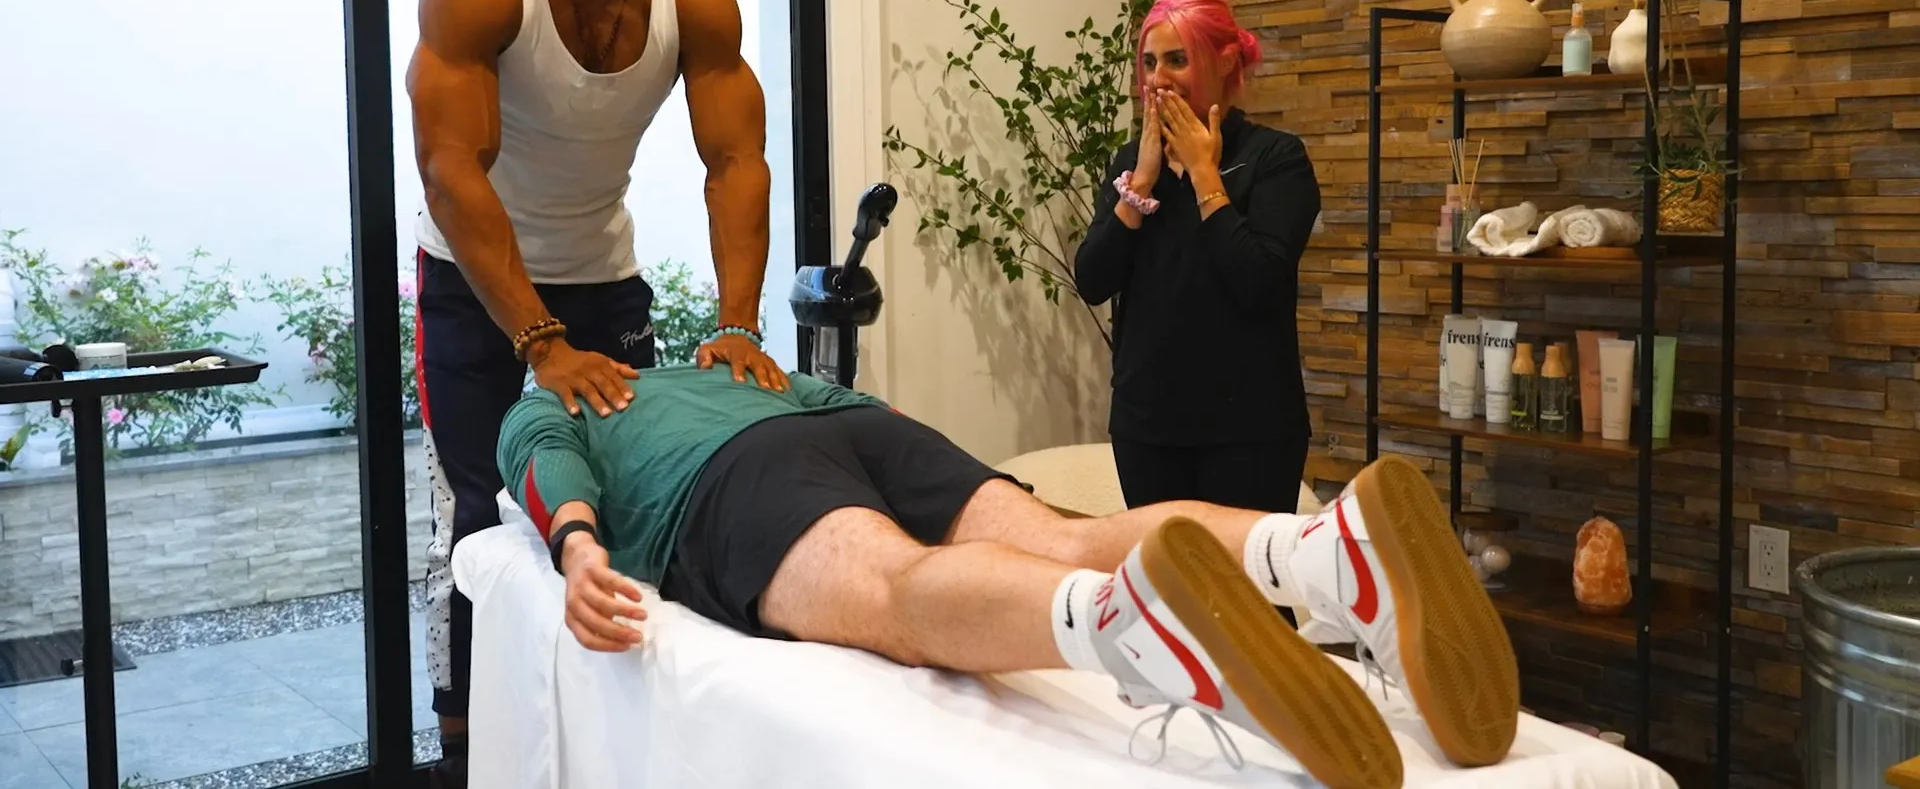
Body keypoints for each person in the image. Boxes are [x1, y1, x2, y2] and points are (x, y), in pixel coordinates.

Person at [498, 363, 1521, 789]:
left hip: (728, 479)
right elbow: (860, 406)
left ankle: (1122, 623)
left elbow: (545, 470)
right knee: (1071, 536)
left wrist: (578, 548)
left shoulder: (553, 399)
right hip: (850, 427)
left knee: (897, 590)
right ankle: (1317, 552)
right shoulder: (729, 366)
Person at [403, 0, 785, 785]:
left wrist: (739, 323)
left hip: (605, 279)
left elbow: (736, 161)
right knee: (484, 513)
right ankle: (470, 749)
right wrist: (539, 340)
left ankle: (606, 738)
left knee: (619, 495)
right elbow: (450, 171)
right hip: (473, 285)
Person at [1073, 0, 1323, 514]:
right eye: (1149, 63)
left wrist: (1204, 173)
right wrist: (1141, 184)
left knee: (1241, 572)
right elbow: (1093, 280)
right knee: (1160, 569)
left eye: (1177, 60)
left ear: (1225, 62)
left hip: (1250, 431)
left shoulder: (1275, 158)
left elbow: (1257, 281)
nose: (1157, 79)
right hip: (1147, 429)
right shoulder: (1131, 163)